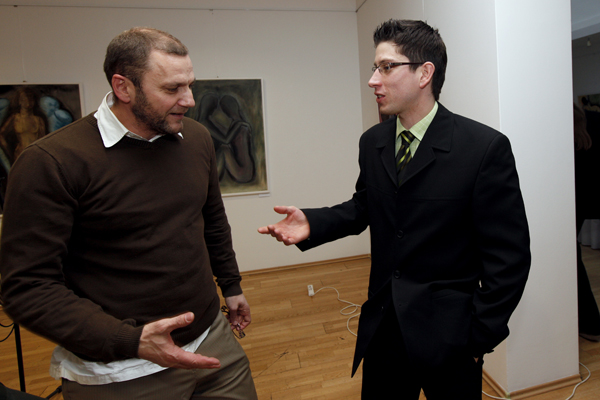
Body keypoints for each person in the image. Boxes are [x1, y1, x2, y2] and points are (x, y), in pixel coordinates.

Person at [258, 19, 530, 399]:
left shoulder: (483, 148)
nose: (373, 80)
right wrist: (313, 223)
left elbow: (509, 259)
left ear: (424, 74)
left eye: (386, 67)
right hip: (384, 324)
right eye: (375, 67)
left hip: (451, 335)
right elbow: (365, 206)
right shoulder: (373, 142)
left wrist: (478, 336)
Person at [0, 27, 257, 400]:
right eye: (172, 89)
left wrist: (231, 286)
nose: (189, 100)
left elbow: (211, 221)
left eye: (190, 85)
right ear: (123, 87)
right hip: (122, 370)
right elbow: (28, 288)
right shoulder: (51, 162)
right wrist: (130, 340)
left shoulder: (197, 138)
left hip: (213, 342)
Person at [573, 103, 600, 341]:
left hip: (575, 199)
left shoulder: (562, 128)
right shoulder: (593, 120)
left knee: (571, 257)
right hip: (587, 197)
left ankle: (590, 323)